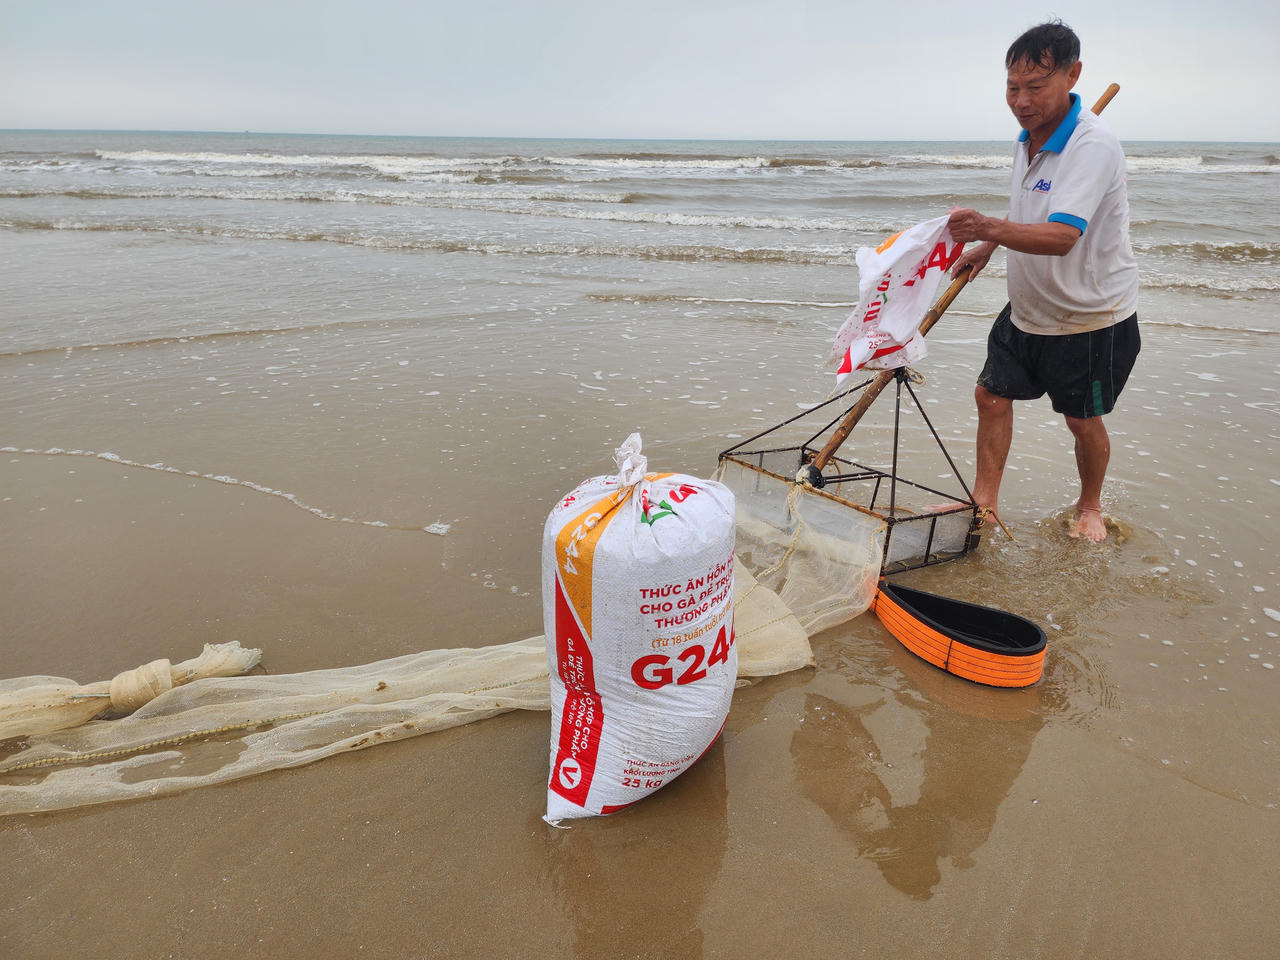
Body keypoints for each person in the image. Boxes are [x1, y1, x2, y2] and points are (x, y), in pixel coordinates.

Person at [947, 20, 1139, 542]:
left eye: (1037, 86)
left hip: (1088, 314)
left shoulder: (1092, 145)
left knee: (1081, 420)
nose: (1022, 100)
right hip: (1027, 305)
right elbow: (1030, 207)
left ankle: (1091, 507)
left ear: (1072, 75)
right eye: (1013, 87)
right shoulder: (1027, 139)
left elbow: (1060, 236)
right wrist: (989, 245)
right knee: (990, 395)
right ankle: (983, 504)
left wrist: (988, 226)